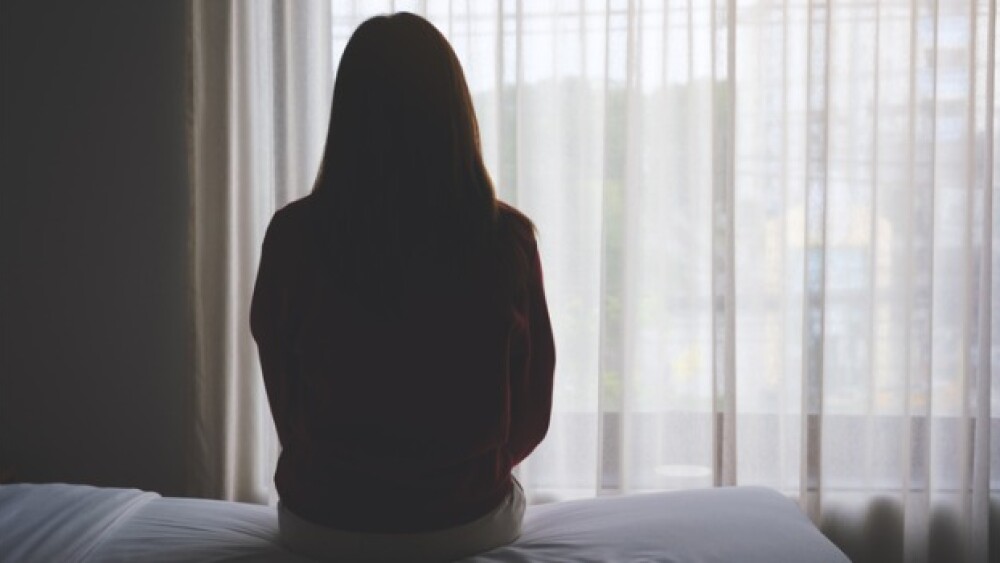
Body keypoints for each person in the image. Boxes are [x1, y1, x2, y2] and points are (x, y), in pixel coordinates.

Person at [249, 12, 556, 562]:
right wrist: (455, 477)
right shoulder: (506, 239)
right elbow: (532, 408)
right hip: (467, 521)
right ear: (454, 113)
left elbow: (285, 396)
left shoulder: (293, 238)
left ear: (347, 115)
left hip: (322, 523)